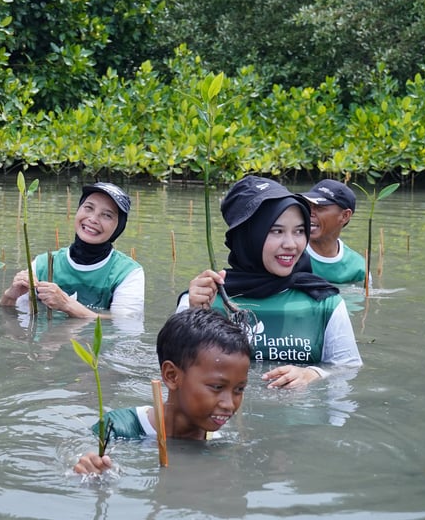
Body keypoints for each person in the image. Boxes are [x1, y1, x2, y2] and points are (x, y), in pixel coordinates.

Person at [180, 175, 363, 388]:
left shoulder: (325, 302)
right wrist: (193, 316)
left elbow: (349, 369)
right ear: (249, 236)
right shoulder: (204, 298)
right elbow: (176, 373)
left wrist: (312, 374)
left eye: (299, 231)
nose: (291, 244)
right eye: (277, 231)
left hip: (303, 419)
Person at [73, 309, 252, 474]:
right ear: (172, 376)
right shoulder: (118, 428)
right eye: (217, 387)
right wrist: (89, 469)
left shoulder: (219, 445)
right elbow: (81, 463)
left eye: (239, 389)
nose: (229, 404)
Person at [0, 182, 144, 321]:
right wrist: (10, 296)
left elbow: (125, 324)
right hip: (45, 344)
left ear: (118, 227)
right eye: (88, 208)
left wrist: (66, 304)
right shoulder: (42, 264)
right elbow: (12, 316)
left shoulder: (128, 272)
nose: (93, 219)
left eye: (107, 215)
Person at [303, 179, 366, 285]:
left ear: (344, 216)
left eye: (319, 207)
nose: (310, 213)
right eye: (308, 206)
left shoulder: (358, 267)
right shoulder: (291, 251)